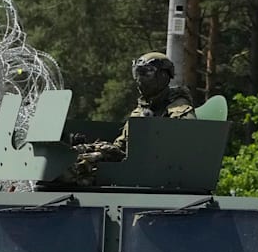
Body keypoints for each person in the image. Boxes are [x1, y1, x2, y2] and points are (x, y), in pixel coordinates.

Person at [64, 52, 195, 185]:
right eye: (137, 73)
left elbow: (185, 148)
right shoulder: (141, 110)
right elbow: (122, 145)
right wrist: (101, 151)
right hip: (134, 169)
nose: (139, 79)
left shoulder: (179, 109)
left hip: (161, 175)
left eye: (146, 73)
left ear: (163, 76)